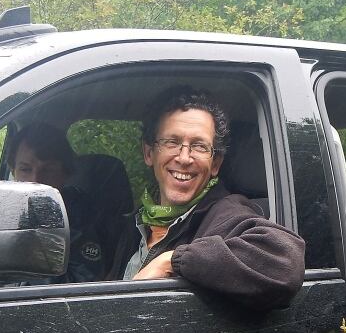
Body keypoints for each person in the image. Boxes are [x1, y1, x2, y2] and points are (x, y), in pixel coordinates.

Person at [120, 87, 305, 310]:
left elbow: (285, 264)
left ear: (215, 163)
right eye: (172, 142)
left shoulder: (226, 214)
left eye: (199, 146)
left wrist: (172, 261)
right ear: (149, 153)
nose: (184, 157)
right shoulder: (136, 223)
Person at [7, 123, 106, 283]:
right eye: (25, 170)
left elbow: (81, 289)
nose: (35, 181)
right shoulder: (1, 215)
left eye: (47, 170)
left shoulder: (82, 221)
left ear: (65, 174)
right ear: (13, 172)